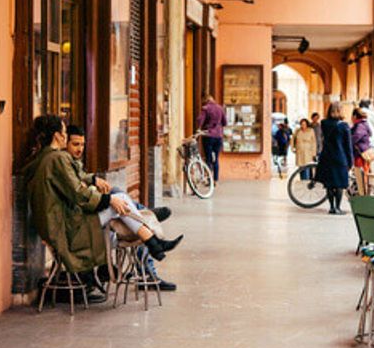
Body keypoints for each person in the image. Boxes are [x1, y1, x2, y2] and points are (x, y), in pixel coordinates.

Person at [23, 115, 183, 272]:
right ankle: (152, 239)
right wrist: (108, 200)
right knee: (118, 200)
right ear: (57, 135)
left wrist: (95, 184)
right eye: (64, 131)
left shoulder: (44, 158)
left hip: (60, 224)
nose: (65, 135)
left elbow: (73, 182)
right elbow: (78, 192)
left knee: (118, 207)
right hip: (68, 228)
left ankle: (147, 239)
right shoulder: (56, 158)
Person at [65, 125, 176, 291]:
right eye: (75, 144)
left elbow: (82, 182)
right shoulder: (62, 163)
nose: (80, 149)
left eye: (82, 144)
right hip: (80, 225)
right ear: (62, 141)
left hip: (90, 218)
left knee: (125, 210)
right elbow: (78, 194)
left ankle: (142, 216)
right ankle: (148, 226)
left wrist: (93, 180)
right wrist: (102, 194)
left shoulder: (73, 163)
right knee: (123, 205)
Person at [314, 102, 353, 215]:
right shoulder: (344, 126)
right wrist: (350, 162)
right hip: (340, 158)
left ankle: (331, 207)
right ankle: (338, 207)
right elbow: (348, 146)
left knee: (329, 184)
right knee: (339, 184)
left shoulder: (324, 123)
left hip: (326, 157)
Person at [196, 94, 227, 183]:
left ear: (205, 100)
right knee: (216, 158)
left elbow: (200, 120)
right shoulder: (220, 108)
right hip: (218, 136)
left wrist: (199, 128)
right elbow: (225, 122)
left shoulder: (205, 108)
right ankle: (215, 180)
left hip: (208, 136)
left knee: (208, 158)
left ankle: (209, 179)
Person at [351, 108, 372, 194]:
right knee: (362, 176)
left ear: (355, 116)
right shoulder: (362, 124)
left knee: (361, 177)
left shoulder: (360, 126)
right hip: (362, 153)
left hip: (360, 154)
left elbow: (355, 138)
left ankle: (363, 195)